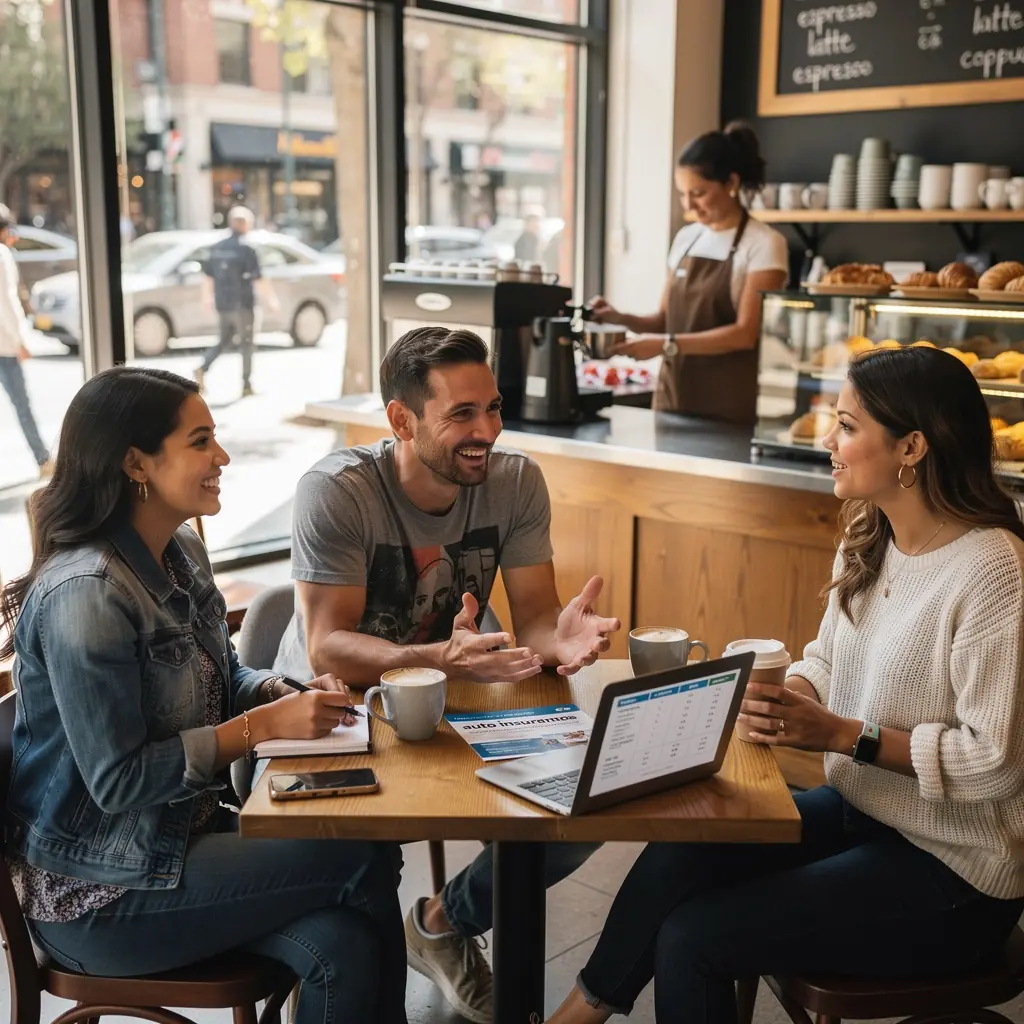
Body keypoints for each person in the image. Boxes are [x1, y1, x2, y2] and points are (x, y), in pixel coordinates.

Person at [545, 346, 1024, 1024]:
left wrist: (840, 734)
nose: (829, 441)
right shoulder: (871, 534)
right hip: (867, 812)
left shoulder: (995, 571)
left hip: (957, 874)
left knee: (695, 939)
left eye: (848, 425)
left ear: (911, 447)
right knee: (682, 850)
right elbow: (829, 661)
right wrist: (790, 693)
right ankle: (579, 1014)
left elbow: (994, 763)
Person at [0, 366, 406, 1024]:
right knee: (362, 850)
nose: (222, 457)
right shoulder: (87, 595)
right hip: (100, 894)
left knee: (345, 944)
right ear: (137, 463)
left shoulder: (178, 550)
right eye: (200, 441)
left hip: (178, 845)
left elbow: (220, 680)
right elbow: (118, 781)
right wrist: (261, 727)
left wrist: (282, 693)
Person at [273, 325, 621, 1023]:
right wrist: (436, 657)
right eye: (461, 413)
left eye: (491, 408)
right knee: (364, 864)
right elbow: (328, 650)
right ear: (401, 419)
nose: (486, 431)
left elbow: (534, 619)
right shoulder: (338, 491)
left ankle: (441, 923)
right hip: (331, 711)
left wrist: (562, 636)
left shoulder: (515, 480)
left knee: (582, 804)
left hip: (455, 693)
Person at [588, 122, 788, 423]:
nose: (689, 204)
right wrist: (620, 318)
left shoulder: (764, 243)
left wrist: (666, 345)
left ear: (731, 183)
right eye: (683, 194)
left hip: (727, 407)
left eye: (698, 193)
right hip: (672, 399)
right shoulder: (686, 238)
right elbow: (664, 320)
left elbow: (745, 334)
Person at [195, 206, 278, 398]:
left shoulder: (217, 247)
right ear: (243, 224)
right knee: (247, 344)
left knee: (224, 340)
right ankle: (247, 385)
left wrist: (207, 298)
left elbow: (208, 277)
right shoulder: (247, 248)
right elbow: (258, 277)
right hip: (243, 304)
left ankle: (202, 366)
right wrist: (271, 300)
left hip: (223, 304)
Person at [0, 204, 52, 477]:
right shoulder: (2, 255)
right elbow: (6, 303)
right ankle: (43, 460)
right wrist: (19, 340)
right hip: (4, 346)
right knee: (22, 405)